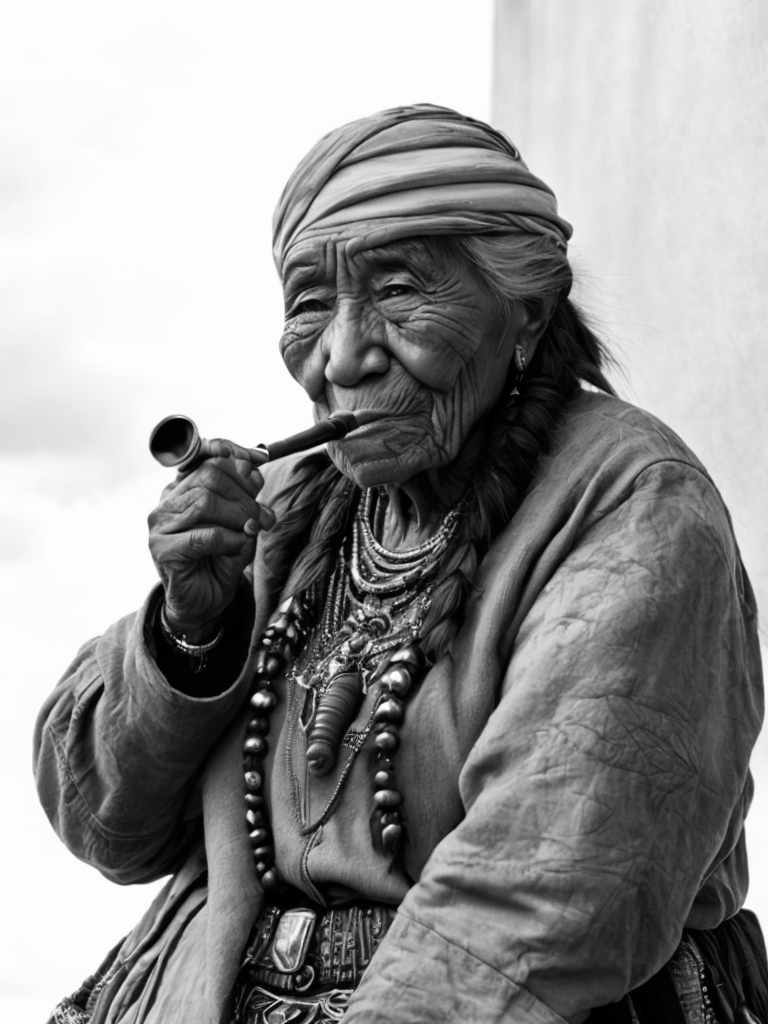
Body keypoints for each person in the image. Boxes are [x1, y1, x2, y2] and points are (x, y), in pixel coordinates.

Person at [35, 104, 766, 1024]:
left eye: (397, 290)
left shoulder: (634, 503)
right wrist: (190, 630)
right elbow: (103, 823)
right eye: (310, 304)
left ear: (527, 315)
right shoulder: (286, 506)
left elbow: (541, 900)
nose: (342, 357)